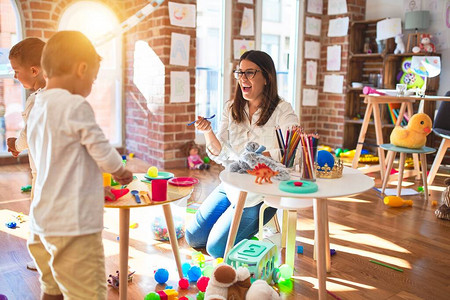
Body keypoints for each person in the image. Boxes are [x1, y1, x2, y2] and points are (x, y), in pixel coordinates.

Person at [26, 31, 133, 300]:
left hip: (42, 223)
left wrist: (94, 187)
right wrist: (119, 170)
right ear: (82, 69)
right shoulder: (75, 104)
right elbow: (100, 148)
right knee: (88, 294)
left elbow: (62, 161)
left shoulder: (37, 104)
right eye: (93, 79)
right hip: (74, 228)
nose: (92, 85)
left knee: (52, 288)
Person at [185, 50, 298, 258]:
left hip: (260, 196)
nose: (242, 79)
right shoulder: (231, 108)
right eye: (240, 73)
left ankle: (253, 236)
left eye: (250, 73)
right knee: (193, 237)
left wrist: (256, 159)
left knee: (216, 249)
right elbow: (220, 154)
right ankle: (237, 230)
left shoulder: (283, 111)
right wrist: (208, 132)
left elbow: (293, 151)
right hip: (231, 186)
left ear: (267, 77)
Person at [6, 37, 46, 271]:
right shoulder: (59, 95)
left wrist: (15, 146)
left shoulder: (38, 100)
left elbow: (28, 135)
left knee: (41, 217)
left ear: (33, 70)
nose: (14, 76)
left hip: (43, 174)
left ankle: (46, 262)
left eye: (16, 70)